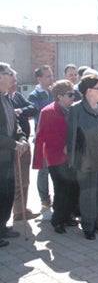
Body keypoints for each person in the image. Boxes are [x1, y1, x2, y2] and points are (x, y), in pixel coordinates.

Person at [67, 74, 98, 240]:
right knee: (88, 193)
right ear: (89, 91)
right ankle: (88, 227)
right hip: (86, 158)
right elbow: (81, 132)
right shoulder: (76, 109)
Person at [33, 80, 79, 234]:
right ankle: (57, 220)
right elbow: (44, 136)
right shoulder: (48, 111)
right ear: (60, 96)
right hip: (56, 157)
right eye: (70, 94)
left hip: (72, 157)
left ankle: (68, 216)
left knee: (73, 187)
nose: (74, 97)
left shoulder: (73, 109)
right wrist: (62, 147)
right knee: (61, 189)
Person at [0, 62, 28, 247]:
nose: (13, 77)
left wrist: (22, 137)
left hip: (8, 157)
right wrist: (13, 144)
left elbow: (14, 123)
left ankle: (2, 226)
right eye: (9, 73)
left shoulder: (7, 98)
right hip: (3, 153)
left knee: (7, 193)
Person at [9, 70, 39, 221]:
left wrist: (20, 110)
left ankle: (21, 210)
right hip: (10, 147)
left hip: (24, 142)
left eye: (15, 81)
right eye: (12, 80)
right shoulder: (4, 99)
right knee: (13, 181)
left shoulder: (17, 96)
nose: (15, 84)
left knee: (24, 179)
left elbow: (33, 108)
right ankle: (13, 212)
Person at [28, 65, 54, 208]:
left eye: (51, 75)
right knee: (44, 170)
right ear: (39, 78)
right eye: (47, 76)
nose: (51, 78)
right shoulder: (35, 95)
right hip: (44, 138)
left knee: (56, 168)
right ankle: (44, 199)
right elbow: (36, 114)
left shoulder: (53, 93)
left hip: (56, 137)